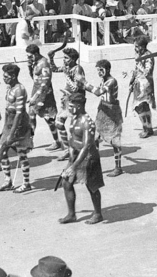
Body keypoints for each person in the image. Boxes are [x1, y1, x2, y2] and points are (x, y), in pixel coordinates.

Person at [58, 93, 105, 224]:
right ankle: (71, 214)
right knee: (66, 183)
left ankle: (98, 214)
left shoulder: (87, 122)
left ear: (79, 106)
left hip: (88, 158)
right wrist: (70, 157)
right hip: (75, 156)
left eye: (72, 106)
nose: (69, 108)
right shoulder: (74, 118)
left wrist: (74, 166)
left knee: (92, 186)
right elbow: (72, 138)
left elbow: (86, 146)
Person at [80, 59, 124, 176]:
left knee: (115, 141)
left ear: (108, 69)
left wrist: (85, 83)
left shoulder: (111, 81)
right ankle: (95, 165)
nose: (99, 72)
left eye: (101, 70)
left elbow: (98, 92)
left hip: (112, 113)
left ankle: (118, 168)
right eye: (98, 70)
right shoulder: (103, 80)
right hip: (103, 111)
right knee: (94, 139)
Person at [0, 63, 33, 193]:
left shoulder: (19, 90)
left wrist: (12, 134)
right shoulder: (9, 87)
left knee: (21, 154)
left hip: (19, 125)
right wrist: (5, 128)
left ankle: (26, 183)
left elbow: (19, 113)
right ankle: (7, 181)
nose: (3, 78)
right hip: (9, 123)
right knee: (2, 150)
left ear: (13, 76)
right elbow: (7, 108)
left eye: (6, 76)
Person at [51, 48, 86, 159]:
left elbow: (77, 87)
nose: (64, 60)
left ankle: (77, 150)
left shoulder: (78, 69)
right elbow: (55, 69)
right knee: (59, 123)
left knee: (75, 127)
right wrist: (51, 58)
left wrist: (67, 76)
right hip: (66, 99)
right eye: (64, 57)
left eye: (66, 58)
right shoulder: (67, 68)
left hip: (76, 100)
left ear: (73, 59)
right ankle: (67, 149)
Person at [26, 44, 61, 150]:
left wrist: (35, 97)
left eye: (30, 56)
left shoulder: (44, 64)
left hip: (45, 93)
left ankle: (57, 141)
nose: (28, 58)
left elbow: (46, 82)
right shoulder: (34, 62)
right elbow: (33, 77)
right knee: (31, 115)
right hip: (36, 90)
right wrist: (29, 65)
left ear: (36, 54)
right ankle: (30, 139)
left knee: (48, 118)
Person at [130, 35, 156, 138]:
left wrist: (138, 61)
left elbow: (147, 71)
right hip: (138, 83)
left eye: (137, 46)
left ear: (142, 46)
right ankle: (148, 127)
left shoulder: (148, 56)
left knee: (140, 106)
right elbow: (136, 70)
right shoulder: (139, 55)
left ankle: (146, 128)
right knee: (142, 106)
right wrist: (131, 81)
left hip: (145, 85)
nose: (135, 48)